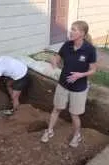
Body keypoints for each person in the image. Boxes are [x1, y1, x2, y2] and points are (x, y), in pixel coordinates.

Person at [40, 20, 97, 148]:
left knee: (74, 114)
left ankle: (77, 135)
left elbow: (93, 70)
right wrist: (53, 61)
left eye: (74, 29)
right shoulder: (67, 45)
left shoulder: (89, 49)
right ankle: (49, 131)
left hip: (78, 88)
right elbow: (57, 57)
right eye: (71, 29)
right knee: (56, 109)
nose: (71, 32)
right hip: (63, 84)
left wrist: (80, 75)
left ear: (82, 33)